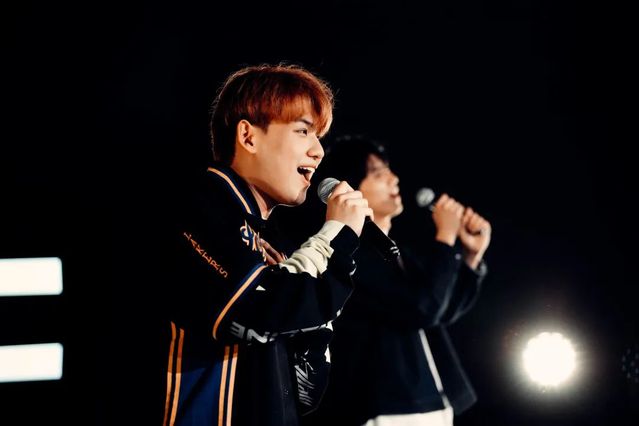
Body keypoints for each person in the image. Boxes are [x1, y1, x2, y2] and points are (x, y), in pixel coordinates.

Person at [160, 65, 373, 426]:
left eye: (318, 136)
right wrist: (335, 234)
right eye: (303, 131)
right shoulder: (195, 210)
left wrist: (314, 327)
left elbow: (306, 392)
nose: (318, 151)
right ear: (248, 136)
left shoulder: (273, 243)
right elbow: (253, 315)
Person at [305, 135, 492, 426]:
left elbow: (441, 311)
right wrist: (445, 237)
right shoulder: (350, 256)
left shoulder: (397, 253)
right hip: (387, 408)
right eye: (379, 174)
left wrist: (470, 258)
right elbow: (422, 308)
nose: (394, 179)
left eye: (389, 171)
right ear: (351, 189)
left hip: (433, 404)